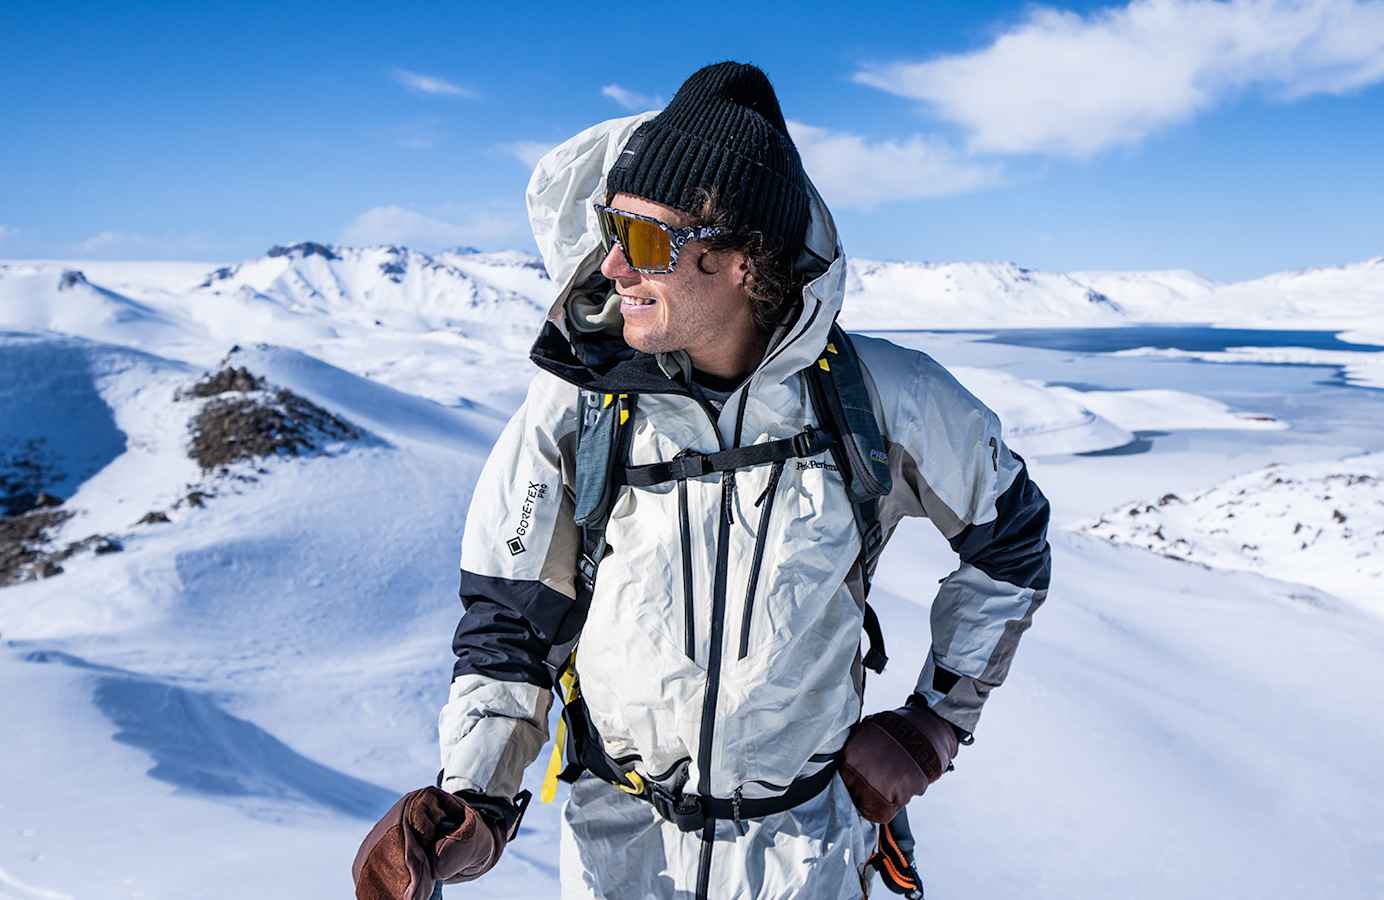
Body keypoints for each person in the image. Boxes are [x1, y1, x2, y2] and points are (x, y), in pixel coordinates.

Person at [353, 61, 1051, 900]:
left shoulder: (881, 397)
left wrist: (935, 722)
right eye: (613, 228)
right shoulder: (577, 406)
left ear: (742, 260)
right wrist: (474, 802)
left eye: (645, 241)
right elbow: (512, 624)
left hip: (809, 856)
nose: (611, 267)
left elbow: (1008, 542)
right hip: (621, 858)